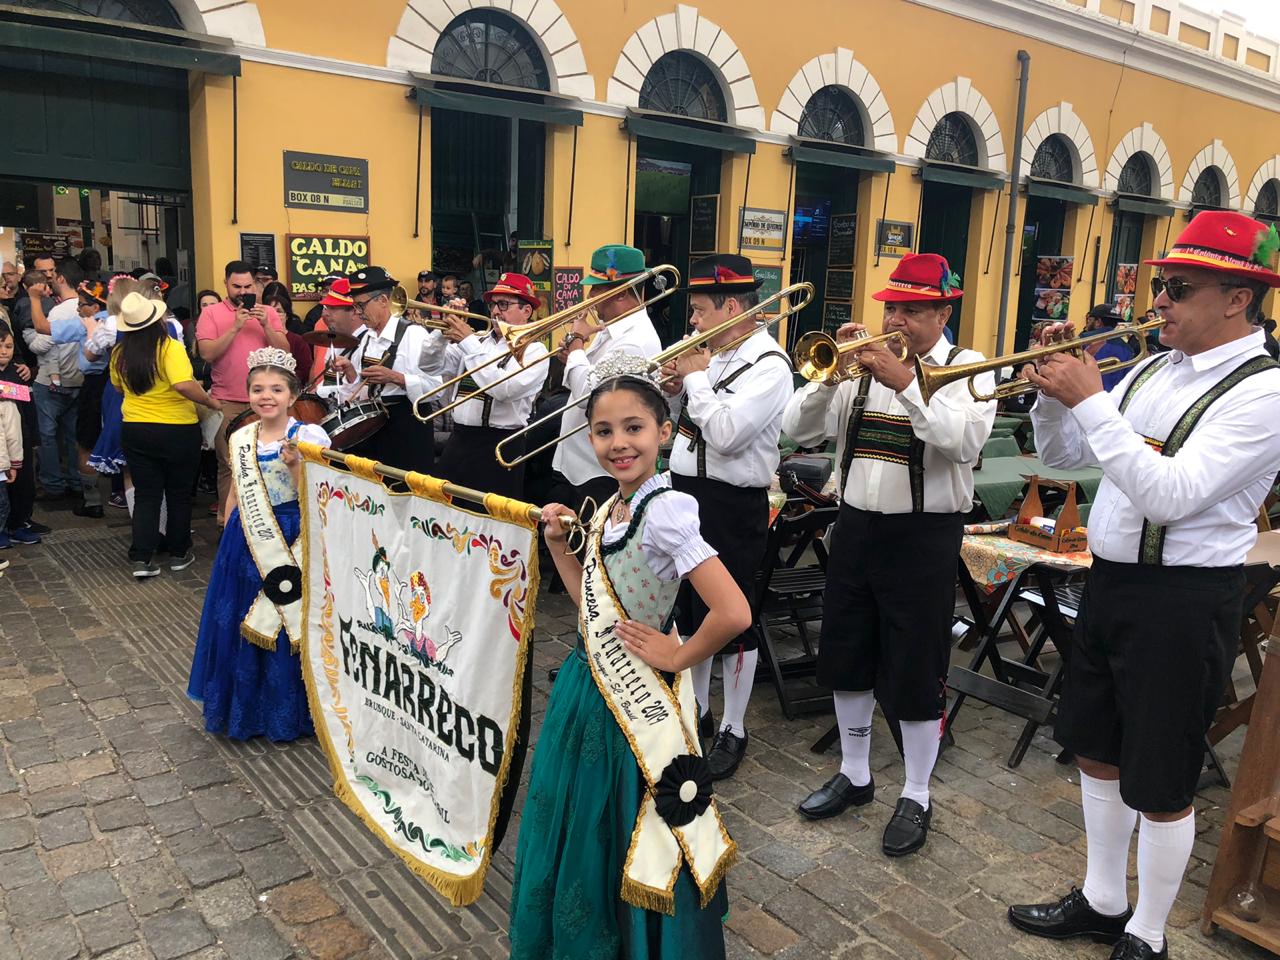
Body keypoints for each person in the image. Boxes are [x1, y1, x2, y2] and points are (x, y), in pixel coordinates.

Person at [1009, 211, 1280, 960]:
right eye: (1161, 285)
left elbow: (1171, 491)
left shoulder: (1265, 392)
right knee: (1097, 745)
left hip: (1186, 598)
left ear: (1236, 299)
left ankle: (1149, 931)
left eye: (1177, 288)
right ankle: (1102, 897)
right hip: (1114, 581)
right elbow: (1070, 457)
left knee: (1161, 773)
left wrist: (1093, 399)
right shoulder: (1157, 369)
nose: (1157, 300)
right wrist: (1052, 396)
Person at [509, 351, 748, 959]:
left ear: (665, 433)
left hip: (638, 702)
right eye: (604, 430)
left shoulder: (665, 510)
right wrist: (560, 546)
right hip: (588, 686)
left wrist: (679, 654)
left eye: (634, 428)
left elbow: (734, 612)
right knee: (588, 821)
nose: (619, 443)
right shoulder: (612, 505)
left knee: (627, 821)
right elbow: (586, 598)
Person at [782, 253, 996, 857]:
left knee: (914, 664)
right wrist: (828, 378)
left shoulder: (969, 368)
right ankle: (855, 774)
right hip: (853, 527)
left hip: (923, 537)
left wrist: (904, 382)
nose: (896, 320)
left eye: (911, 310)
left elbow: (963, 442)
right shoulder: (859, 369)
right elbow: (800, 431)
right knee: (846, 651)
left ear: (943, 310)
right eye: (891, 308)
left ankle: (918, 792)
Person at [658, 254, 794, 777]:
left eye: (698, 311)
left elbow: (728, 433)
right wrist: (676, 392)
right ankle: (699, 710)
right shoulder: (713, 355)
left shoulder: (769, 365)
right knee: (692, 611)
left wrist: (693, 381)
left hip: (733, 503)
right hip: (688, 491)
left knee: (734, 616)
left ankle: (735, 726)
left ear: (731, 306)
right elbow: (692, 424)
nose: (693, 322)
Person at [187, 346, 327, 741]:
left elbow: (321, 495)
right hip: (246, 539)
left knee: (289, 619)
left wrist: (297, 465)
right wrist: (228, 527)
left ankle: (291, 712)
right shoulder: (242, 435)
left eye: (276, 389)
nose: (267, 396)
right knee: (243, 617)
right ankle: (246, 710)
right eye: (258, 389)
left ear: (293, 396)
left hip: (294, 533)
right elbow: (235, 488)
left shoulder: (309, 435)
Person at [113, 291, 221, 578]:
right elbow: (184, 385)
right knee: (179, 493)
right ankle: (178, 552)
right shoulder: (170, 347)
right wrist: (209, 401)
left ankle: (142, 557)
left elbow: (117, 388)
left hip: (135, 427)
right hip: (176, 428)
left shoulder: (120, 353)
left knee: (147, 494)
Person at [551, 245, 662, 519]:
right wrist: (576, 355)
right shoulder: (611, 329)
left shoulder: (634, 339)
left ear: (621, 292)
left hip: (600, 470)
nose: (590, 298)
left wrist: (577, 344)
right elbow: (587, 378)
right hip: (582, 463)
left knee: (591, 552)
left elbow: (590, 392)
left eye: (597, 290)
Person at [430, 273, 548, 498]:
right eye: (493, 305)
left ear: (526, 311)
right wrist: (441, 331)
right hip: (460, 440)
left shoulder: (535, 351)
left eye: (503, 304)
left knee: (490, 524)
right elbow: (429, 366)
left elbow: (504, 389)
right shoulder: (478, 341)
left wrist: (468, 342)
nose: (495, 312)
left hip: (499, 445)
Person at [319, 267, 443, 474]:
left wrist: (396, 378)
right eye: (355, 306)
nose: (358, 313)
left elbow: (437, 388)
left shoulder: (413, 334)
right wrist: (350, 371)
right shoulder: (367, 337)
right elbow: (361, 387)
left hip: (407, 426)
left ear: (383, 301)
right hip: (375, 425)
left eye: (361, 306)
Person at [197, 259, 291, 526]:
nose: (242, 291)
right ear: (226, 284)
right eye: (236, 286)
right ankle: (228, 524)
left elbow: (285, 350)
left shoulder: (268, 313)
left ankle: (265, 524)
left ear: (257, 285)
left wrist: (266, 326)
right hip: (227, 401)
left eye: (248, 285)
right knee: (230, 465)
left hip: (266, 403)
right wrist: (236, 326)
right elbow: (207, 353)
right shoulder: (212, 313)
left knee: (268, 463)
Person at [23, 261, 87, 503]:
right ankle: (75, 480)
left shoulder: (60, 312)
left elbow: (42, 341)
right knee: (73, 436)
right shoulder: (86, 307)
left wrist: (28, 334)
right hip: (78, 381)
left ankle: (53, 485)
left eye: (54, 275)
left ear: (61, 279)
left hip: (50, 382)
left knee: (47, 435)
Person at [0, 324, 39, 546]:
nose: (4, 351)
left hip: (19, 437)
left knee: (24, 483)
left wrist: (34, 437)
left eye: (8, 346)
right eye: (0, 347)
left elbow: (29, 406)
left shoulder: (18, 372)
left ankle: (18, 523)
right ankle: (2, 526)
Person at [1082, 302, 1136, 391]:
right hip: (1113, 399)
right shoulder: (1127, 348)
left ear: (1098, 322)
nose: (1087, 324)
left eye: (1089, 320)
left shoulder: (1084, 339)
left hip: (1085, 395)